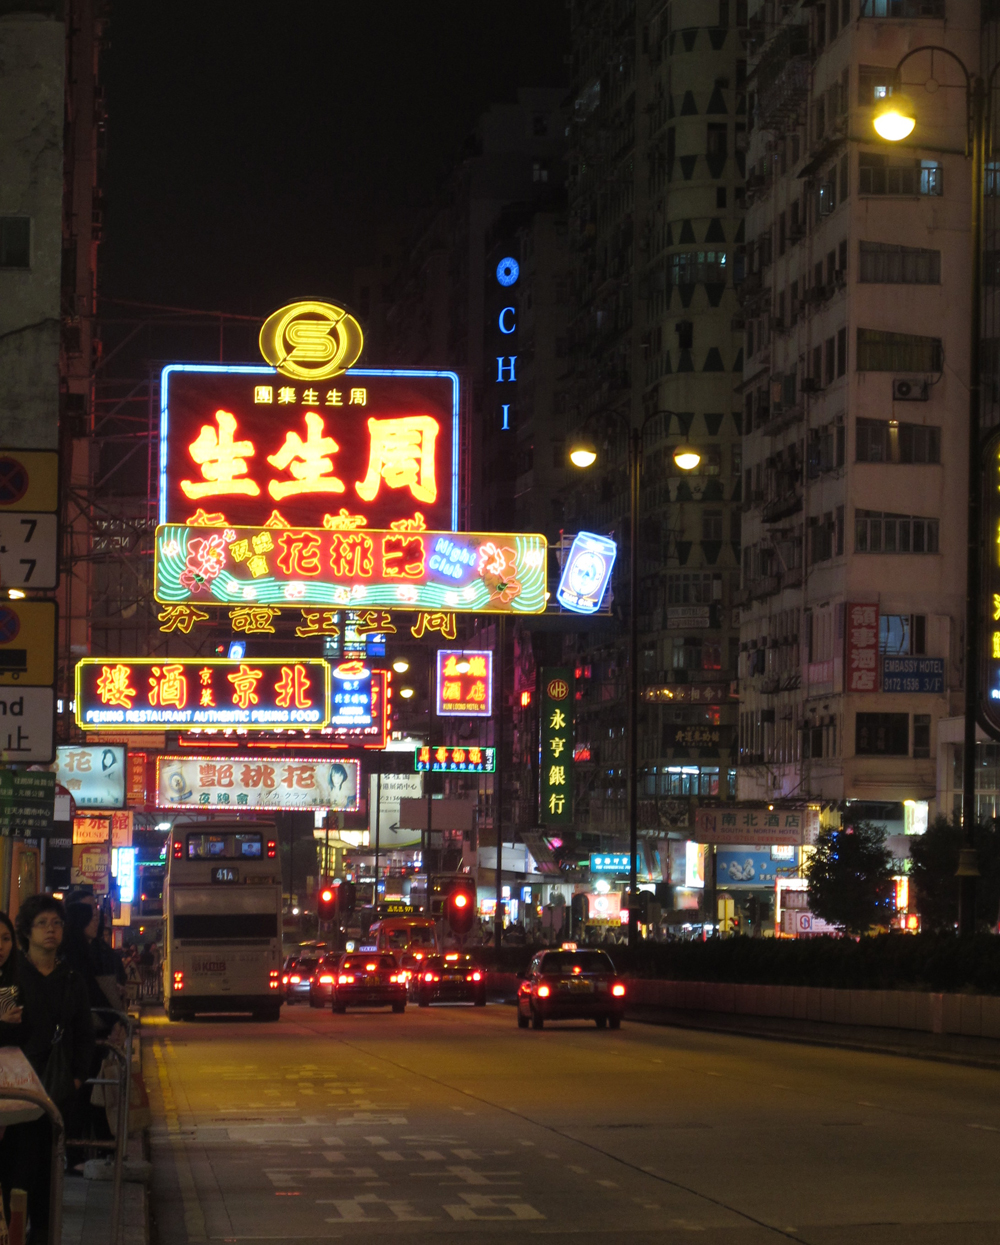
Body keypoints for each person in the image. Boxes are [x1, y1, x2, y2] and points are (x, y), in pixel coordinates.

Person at [0, 895, 94, 1243]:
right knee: (15, 1172)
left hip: (56, 1094)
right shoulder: (12, 976)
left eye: (56, 923)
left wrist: (77, 1077)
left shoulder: (71, 979)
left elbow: (84, 1035)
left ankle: (41, 1235)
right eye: (42, 923)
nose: (51, 930)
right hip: (16, 1093)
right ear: (27, 931)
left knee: (49, 1178)